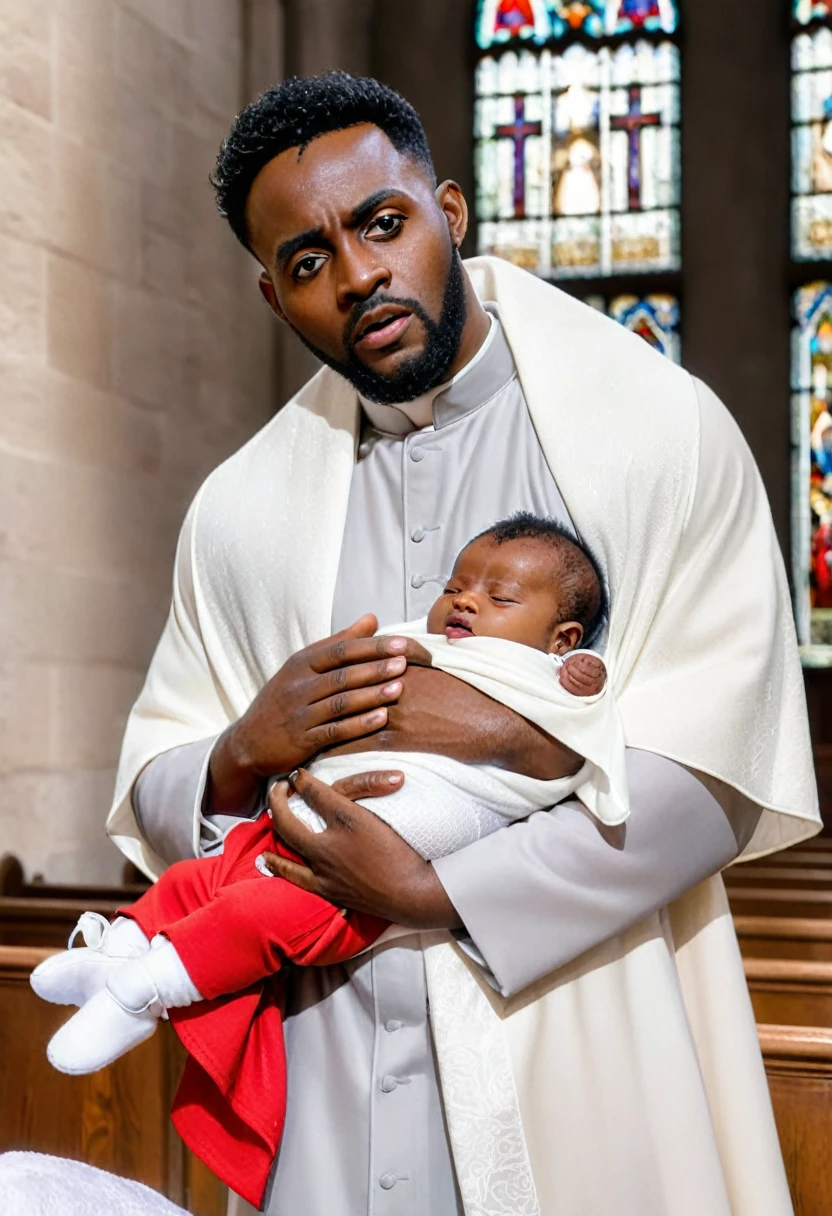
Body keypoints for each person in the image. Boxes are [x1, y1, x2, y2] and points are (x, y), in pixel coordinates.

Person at [90, 71, 818, 1216]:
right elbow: (156, 768)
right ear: (275, 299)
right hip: (322, 1057)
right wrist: (240, 749)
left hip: (572, 1018)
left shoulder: (654, 431)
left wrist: (442, 889)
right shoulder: (242, 508)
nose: (360, 275)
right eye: (307, 261)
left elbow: (714, 758)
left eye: (383, 223)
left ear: (450, 210)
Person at [32, 517, 617, 1208]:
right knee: (196, 882)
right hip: (305, 828)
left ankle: (148, 989)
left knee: (255, 915)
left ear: (563, 637)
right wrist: (252, 745)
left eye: (498, 597)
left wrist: (572, 679)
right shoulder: (410, 631)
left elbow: (582, 721)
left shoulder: (555, 667)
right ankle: (118, 953)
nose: (465, 602)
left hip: (411, 848)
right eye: (456, 587)